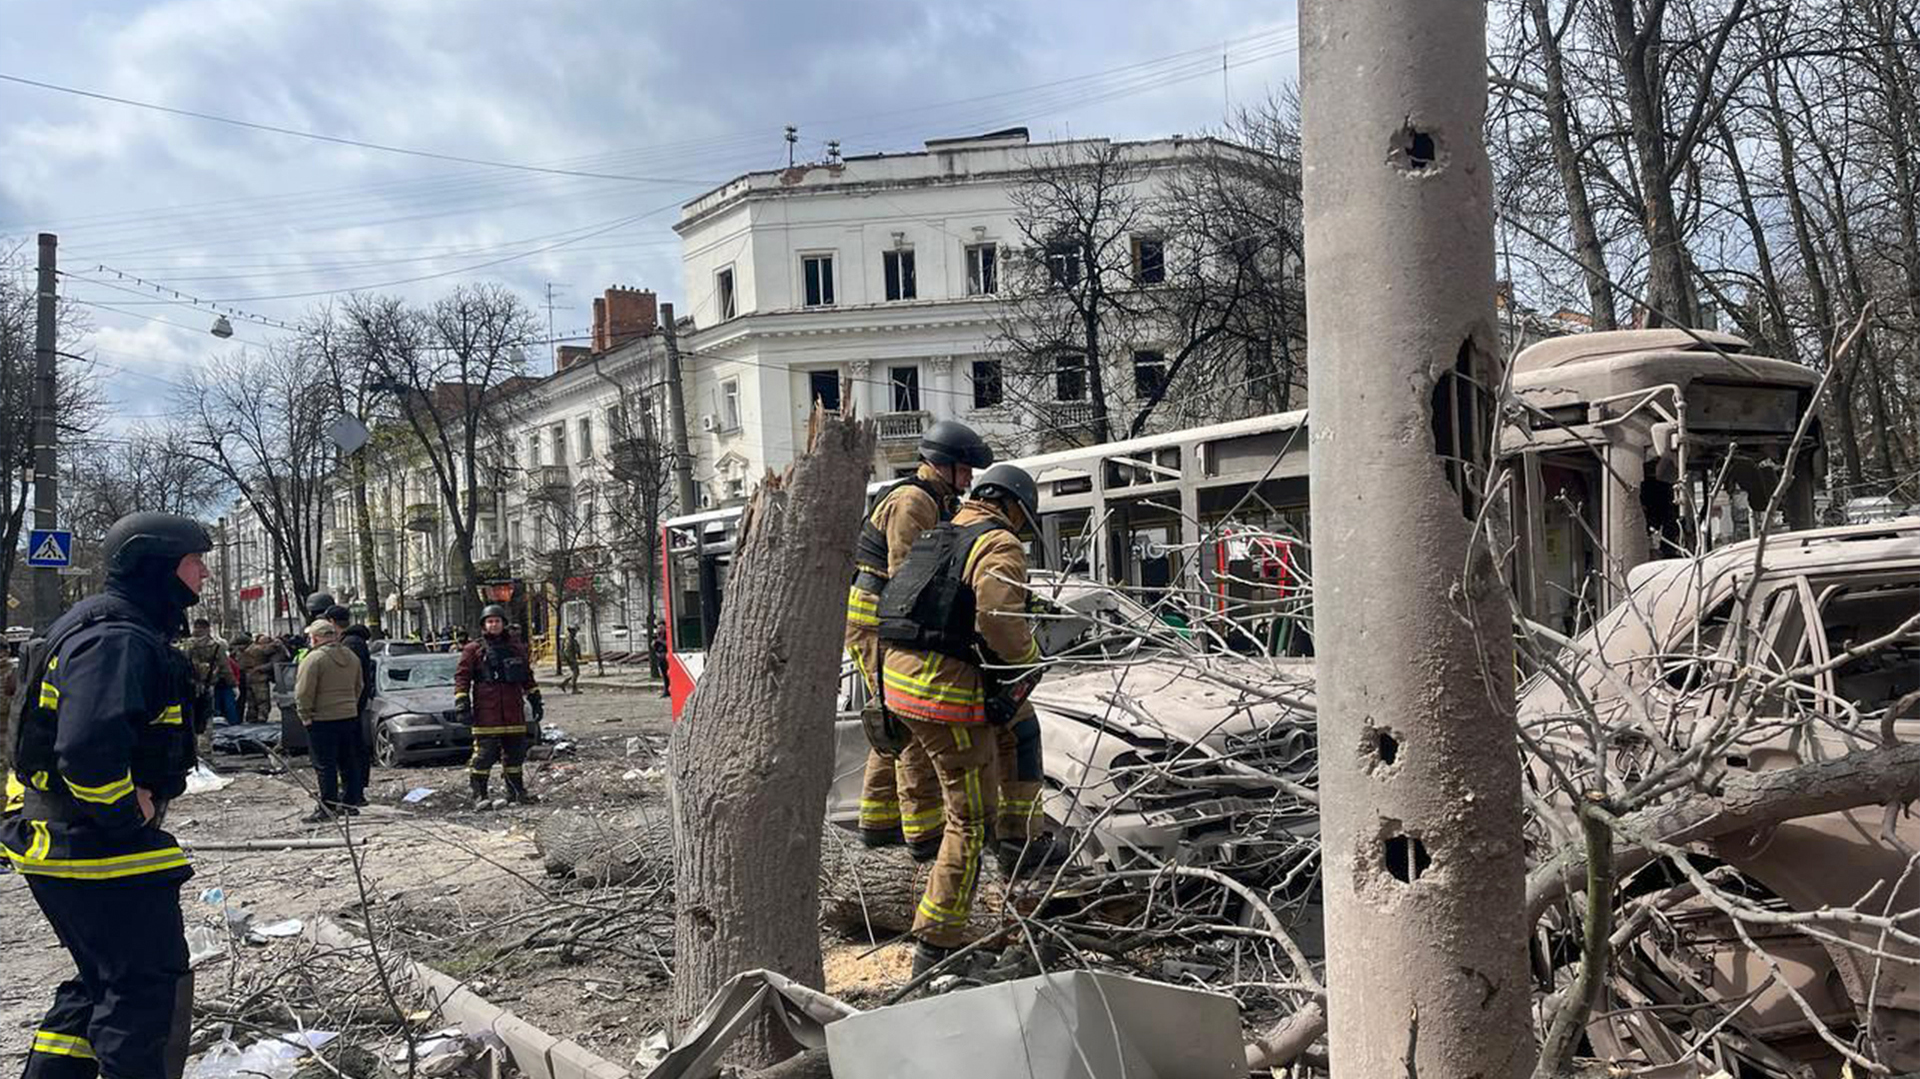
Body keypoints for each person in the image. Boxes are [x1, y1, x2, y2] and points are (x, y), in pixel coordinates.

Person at [2, 511, 210, 1079]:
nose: (204, 574)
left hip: (66, 839)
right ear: (156, 563)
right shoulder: (116, 638)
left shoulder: (112, 626)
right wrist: (124, 813)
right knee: (145, 991)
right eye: (195, 561)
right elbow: (89, 747)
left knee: (100, 982)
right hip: (94, 845)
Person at [878, 463, 1047, 975]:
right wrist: (1028, 659)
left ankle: (1018, 840)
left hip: (899, 683)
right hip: (942, 695)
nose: (1022, 530)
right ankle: (937, 950)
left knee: (1019, 725)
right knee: (970, 819)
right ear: (1012, 506)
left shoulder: (942, 532)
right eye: (1024, 521)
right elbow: (996, 617)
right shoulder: (999, 542)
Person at [846, 420, 992, 860]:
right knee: (907, 716)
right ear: (943, 464)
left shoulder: (937, 500)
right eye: (965, 469)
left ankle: (877, 822)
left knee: (893, 717)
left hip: (890, 619)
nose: (969, 478)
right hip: (879, 621)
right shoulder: (913, 501)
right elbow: (908, 576)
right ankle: (922, 835)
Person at [455, 605, 544, 808]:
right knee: (484, 755)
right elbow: (462, 678)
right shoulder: (473, 649)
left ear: (504, 624)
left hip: (513, 712)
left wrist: (535, 698)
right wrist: (462, 703)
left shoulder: (516, 648)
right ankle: (480, 795)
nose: (494, 625)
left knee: (515, 755)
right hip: (487, 712)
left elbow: (527, 677)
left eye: (497, 621)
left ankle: (516, 793)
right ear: (484, 625)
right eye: (490, 621)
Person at [294, 620, 365, 821]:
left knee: (325, 765)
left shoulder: (314, 659)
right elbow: (359, 685)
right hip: (348, 716)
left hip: (322, 718)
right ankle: (350, 803)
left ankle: (328, 806)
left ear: (315, 638)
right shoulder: (351, 657)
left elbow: (304, 691)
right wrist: (350, 705)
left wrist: (305, 715)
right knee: (348, 761)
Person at [177, 617, 231, 761]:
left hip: (187, 686)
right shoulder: (216, 646)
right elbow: (225, 667)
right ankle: (205, 749)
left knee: (189, 716)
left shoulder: (184, 645)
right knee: (206, 716)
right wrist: (233, 684)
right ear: (207, 629)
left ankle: (191, 749)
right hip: (208, 686)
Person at [239, 633, 289, 724]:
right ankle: (261, 717)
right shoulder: (265, 649)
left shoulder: (249, 649)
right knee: (262, 700)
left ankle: (252, 717)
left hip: (249, 677)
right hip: (260, 677)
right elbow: (274, 660)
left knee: (251, 701)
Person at [560, 626, 583, 694]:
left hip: (569, 658)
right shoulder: (571, 640)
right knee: (576, 672)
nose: (576, 633)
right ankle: (573, 688)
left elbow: (563, 649)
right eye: (575, 632)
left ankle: (564, 683)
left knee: (575, 672)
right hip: (571, 658)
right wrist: (578, 656)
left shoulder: (567, 639)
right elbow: (575, 649)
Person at [649, 627, 669, 699]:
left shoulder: (667, 637)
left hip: (666, 658)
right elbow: (654, 647)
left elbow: (668, 645)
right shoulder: (657, 639)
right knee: (664, 675)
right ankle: (666, 691)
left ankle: (669, 690)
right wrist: (654, 642)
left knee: (669, 675)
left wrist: (660, 641)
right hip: (660, 658)